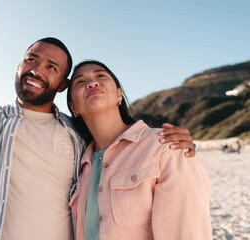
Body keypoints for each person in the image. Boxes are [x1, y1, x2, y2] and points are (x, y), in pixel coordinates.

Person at [0, 0, 196, 239]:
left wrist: (174, 144)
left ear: (61, 86)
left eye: (51, 67)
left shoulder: (79, 136)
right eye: (31, 60)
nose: (37, 69)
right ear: (19, 66)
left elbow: (123, 146)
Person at [67, 60, 212, 239]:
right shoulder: (80, 166)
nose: (91, 82)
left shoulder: (165, 145)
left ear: (119, 94)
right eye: (80, 81)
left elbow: (187, 233)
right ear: (73, 107)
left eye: (101, 76)